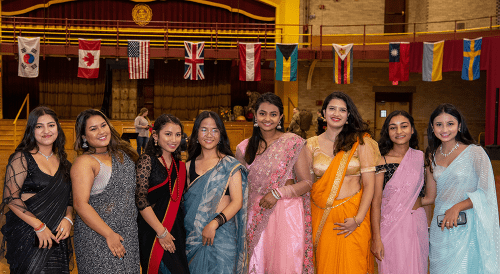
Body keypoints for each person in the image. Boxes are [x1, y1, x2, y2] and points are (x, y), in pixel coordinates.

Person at [236, 93, 314, 274]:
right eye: (262, 113)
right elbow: (240, 187)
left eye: (273, 114)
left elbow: (307, 183)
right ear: (255, 115)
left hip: (286, 212)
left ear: (280, 117)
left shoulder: (293, 143)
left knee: (285, 265)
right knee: (258, 261)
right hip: (255, 213)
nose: (267, 119)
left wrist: (278, 193)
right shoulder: (244, 148)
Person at [307, 91, 380, 274]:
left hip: (354, 216)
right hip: (322, 216)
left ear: (348, 115)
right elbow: (307, 184)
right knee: (325, 266)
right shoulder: (310, 144)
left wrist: (357, 219)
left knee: (353, 266)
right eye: (332, 108)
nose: (336, 113)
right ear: (323, 113)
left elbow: (369, 185)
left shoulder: (361, 142)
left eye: (342, 110)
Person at [425, 103, 500, 274]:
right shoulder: (431, 155)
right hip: (441, 226)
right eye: (439, 124)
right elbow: (431, 197)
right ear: (432, 127)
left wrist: (457, 207)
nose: (445, 129)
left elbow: (486, 191)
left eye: (450, 124)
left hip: (467, 225)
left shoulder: (475, 152)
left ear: (459, 126)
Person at [1, 106, 73, 273]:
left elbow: (69, 199)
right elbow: (11, 198)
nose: (46, 131)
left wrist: (68, 218)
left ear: (58, 128)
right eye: (39, 126)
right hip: (29, 233)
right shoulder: (22, 158)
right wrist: (39, 226)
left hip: (56, 235)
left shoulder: (65, 164)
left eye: (51, 125)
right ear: (31, 130)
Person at [71, 109, 140, 273]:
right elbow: (80, 204)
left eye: (103, 125)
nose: (101, 131)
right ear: (83, 137)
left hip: (128, 234)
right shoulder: (85, 162)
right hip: (98, 237)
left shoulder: (122, 155)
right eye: (93, 129)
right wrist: (109, 234)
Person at [184, 111, 248, 274]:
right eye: (204, 129)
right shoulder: (187, 166)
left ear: (221, 134)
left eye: (215, 130)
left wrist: (213, 224)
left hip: (222, 236)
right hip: (193, 238)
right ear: (196, 133)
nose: (209, 135)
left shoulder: (229, 165)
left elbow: (237, 202)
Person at [371, 110, 431, 274]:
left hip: (415, 225)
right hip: (391, 228)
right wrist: (376, 238)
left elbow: (428, 197)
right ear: (387, 132)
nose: (399, 132)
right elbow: (376, 202)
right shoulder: (381, 160)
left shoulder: (421, 158)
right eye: (393, 127)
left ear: (412, 129)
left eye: (404, 126)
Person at [135, 114, 190, 274]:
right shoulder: (147, 161)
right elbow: (140, 199)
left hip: (176, 232)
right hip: (153, 232)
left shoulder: (180, 165)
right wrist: (161, 232)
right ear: (155, 136)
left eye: (178, 134)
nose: (174, 139)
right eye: (168, 134)